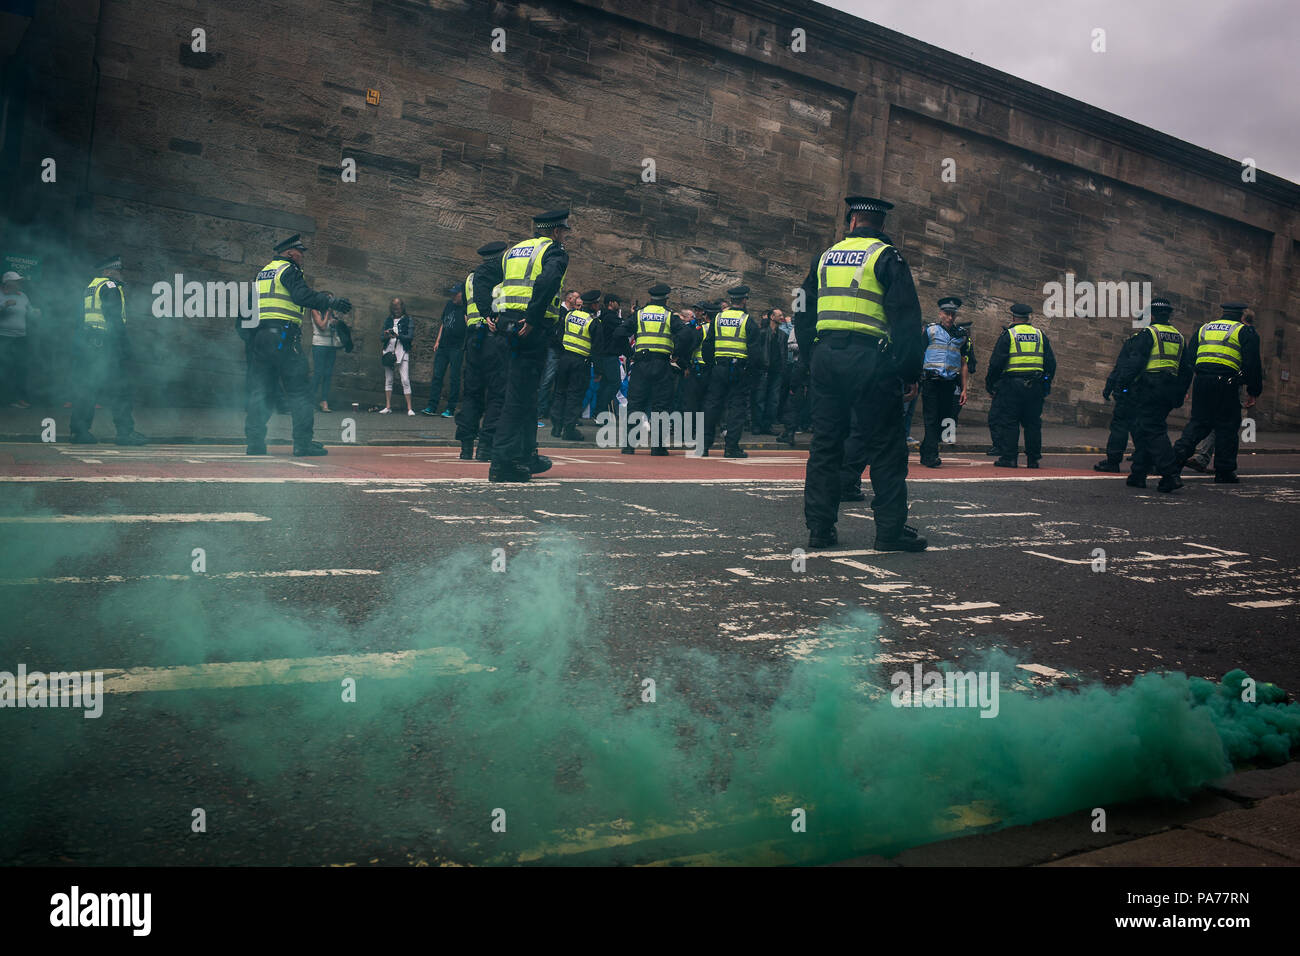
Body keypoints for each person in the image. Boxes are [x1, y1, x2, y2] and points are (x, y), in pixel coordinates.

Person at [797, 196, 925, 551]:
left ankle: (820, 530)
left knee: (825, 446)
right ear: (881, 226)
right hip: (871, 361)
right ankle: (889, 532)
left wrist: (812, 358)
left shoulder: (824, 258)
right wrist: (910, 371)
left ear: (852, 221)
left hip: (825, 358)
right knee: (885, 447)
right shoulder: (887, 257)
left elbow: (803, 313)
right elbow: (906, 319)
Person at [244, 235, 350, 456]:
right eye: (301, 253)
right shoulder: (289, 270)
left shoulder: (263, 272)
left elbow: (249, 308)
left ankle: (254, 443)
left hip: (262, 337)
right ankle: (302, 444)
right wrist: (330, 301)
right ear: (291, 253)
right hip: (284, 337)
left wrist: (251, 339)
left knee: (262, 391)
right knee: (300, 392)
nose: (303, 257)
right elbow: (302, 295)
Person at [488, 208, 571, 483]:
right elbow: (547, 282)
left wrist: (493, 314)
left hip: (507, 327)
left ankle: (525, 456)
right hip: (529, 330)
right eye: (564, 232)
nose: (565, 238)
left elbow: (488, 279)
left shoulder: (513, 251)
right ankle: (503, 463)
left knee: (520, 395)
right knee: (520, 398)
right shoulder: (554, 251)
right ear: (557, 231)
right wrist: (534, 318)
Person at [1107, 296, 1194, 492]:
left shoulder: (1149, 333)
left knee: (1153, 430)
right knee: (1142, 429)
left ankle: (1171, 474)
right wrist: (1180, 394)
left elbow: (1135, 363)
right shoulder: (1179, 337)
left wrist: (1121, 385)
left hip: (1150, 388)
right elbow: (1186, 370)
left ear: (1152, 315)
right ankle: (1138, 473)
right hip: (1169, 390)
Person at [1172, 303, 1263, 483]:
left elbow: (1190, 358)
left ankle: (1175, 460)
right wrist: (1253, 391)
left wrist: (1195, 380)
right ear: (1240, 315)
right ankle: (1224, 471)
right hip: (1227, 384)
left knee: (1198, 424)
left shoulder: (1204, 328)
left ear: (1223, 313)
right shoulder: (1244, 331)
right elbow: (1253, 364)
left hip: (1202, 382)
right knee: (1227, 428)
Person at [70, 254, 150, 446]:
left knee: (87, 389)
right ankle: (125, 433)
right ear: (108, 271)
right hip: (107, 346)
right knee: (121, 389)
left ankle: (79, 432)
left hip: (90, 343)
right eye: (118, 271)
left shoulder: (91, 286)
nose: (121, 274)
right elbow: (114, 319)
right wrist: (125, 348)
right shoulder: (110, 287)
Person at [455, 241, 508, 460]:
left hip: (472, 339)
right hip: (492, 336)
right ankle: (486, 446)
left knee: (471, 393)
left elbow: (467, 310)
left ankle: (466, 446)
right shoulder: (501, 277)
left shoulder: (469, 278)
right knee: (497, 393)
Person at [985, 304, 1056, 468]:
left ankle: (1009, 458)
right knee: (1032, 423)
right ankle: (1033, 459)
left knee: (1010, 421)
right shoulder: (1040, 335)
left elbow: (996, 363)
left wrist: (991, 385)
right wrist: (1045, 384)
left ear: (1013, 317)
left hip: (1012, 386)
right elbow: (1051, 364)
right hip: (1035, 385)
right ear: (1028, 318)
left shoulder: (1009, 334)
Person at [617, 283, 685, 455]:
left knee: (635, 403)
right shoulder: (669, 316)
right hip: (662, 364)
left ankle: (628, 445)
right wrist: (677, 353)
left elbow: (619, 333)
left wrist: (629, 353)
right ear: (665, 298)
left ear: (651, 298)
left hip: (640, 364)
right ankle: (658, 447)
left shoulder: (639, 315)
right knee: (660, 406)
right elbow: (687, 335)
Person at [702, 285, 761, 458]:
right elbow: (755, 352)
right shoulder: (747, 320)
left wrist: (711, 363)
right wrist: (751, 371)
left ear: (730, 300)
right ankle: (731, 447)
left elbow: (708, 344)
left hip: (719, 367)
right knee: (737, 408)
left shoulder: (718, 317)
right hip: (739, 369)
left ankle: (703, 446)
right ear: (743, 300)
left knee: (712, 406)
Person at [918, 296, 969, 467]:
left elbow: (964, 363)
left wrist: (964, 389)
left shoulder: (962, 335)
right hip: (931, 381)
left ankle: (926, 448)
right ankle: (932, 456)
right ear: (940, 314)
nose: (950, 317)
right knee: (931, 418)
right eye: (947, 313)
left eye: (953, 314)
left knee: (945, 419)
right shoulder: (930, 331)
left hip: (949, 384)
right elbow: (919, 355)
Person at [553, 289, 600, 440]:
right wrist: (599, 370)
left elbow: (559, 336)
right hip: (580, 363)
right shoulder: (593, 322)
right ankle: (569, 430)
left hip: (564, 359)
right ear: (592, 305)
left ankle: (556, 427)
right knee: (574, 395)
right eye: (597, 303)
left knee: (560, 392)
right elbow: (598, 348)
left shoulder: (569, 315)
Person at [1094, 331, 1139, 472]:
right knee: (1143, 426)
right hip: (1151, 391)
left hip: (1129, 391)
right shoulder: (1164, 339)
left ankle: (1113, 461)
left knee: (1120, 425)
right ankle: (1145, 460)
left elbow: (1121, 367)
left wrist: (1112, 387)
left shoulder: (1134, 341)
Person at [422, 284, 465, 417]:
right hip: (444, 345)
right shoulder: (449, 304)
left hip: (457, 347)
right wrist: (438, 340)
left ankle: (450, 408)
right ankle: (432, 406)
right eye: (452, 294)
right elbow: (444, 323)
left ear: (462, 294)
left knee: (454, 378)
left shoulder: (467, 308)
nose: (453, 296)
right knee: (437, 376)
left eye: (455, 294)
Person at [538, 290, 577, 428]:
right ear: (570, 298)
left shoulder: (570, 313)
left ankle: (550, 409)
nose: (578, 301)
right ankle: (540, 410)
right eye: (576, 298)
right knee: (547, 380)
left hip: (562, 351)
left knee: (557, 381)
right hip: (554, 349)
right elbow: (555, 331)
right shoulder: (560, 311)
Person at [0, 271, 39, 408]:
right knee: (4, 368)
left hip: (20, 337)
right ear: (8, 283)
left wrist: (35, 312)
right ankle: (4, 399)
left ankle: (19, 399)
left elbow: (29, 310)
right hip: (3, 337)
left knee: (21, 368)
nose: (19, 284)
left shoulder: (23, 296)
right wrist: (4, 306)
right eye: (17, 281)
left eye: (20, 281)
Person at [592, 294, 625, 422]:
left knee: (606, 384)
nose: (619, 305)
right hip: (609, 356)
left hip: (605, 355)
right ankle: (600, 412)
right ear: (611, 303)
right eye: (618, 302)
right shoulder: (610, 317)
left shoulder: (604, 316)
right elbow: (622, 327)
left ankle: (600, 412)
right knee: (614, 383)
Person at [380, 298, 415, 415]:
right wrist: (387, 335)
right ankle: (388, 406)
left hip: (402, 351)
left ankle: (410, 408)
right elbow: (381, 338)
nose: (396, 309)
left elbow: (410, 337)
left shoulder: (408, 320)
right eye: (394, 307)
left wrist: (397, 335)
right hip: (389, 351)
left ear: (402, 307)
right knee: (388, 379)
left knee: (405, 379)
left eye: (398, 306)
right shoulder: (388, 320)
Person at [309, 295, 343, 412]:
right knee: (318, 373)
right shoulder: (315, 310)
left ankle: (324, 401)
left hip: (331, 344)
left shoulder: (332, 312)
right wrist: (328, 313)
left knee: (328, 374)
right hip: (319, 344)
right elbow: (322, 326)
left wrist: (335, 322)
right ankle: (310, 401)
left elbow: (335, 326)